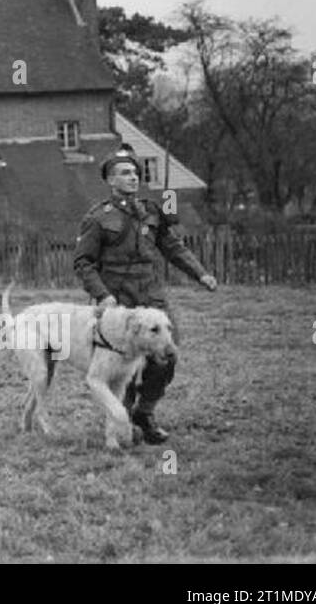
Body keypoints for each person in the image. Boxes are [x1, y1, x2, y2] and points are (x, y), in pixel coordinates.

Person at [73, 143, 218, 443]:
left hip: (152, 298)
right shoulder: (98, 218)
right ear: (111, 181)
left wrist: (200, 273)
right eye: (125, 173)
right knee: (117, 362)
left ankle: (145, 412)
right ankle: (122, 421)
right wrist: (102, 296)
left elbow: (173, 246)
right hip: (118, 301)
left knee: (167, 354)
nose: (133, 178)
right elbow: (83, 263)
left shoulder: (153, 211)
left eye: (135, 173)